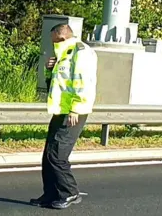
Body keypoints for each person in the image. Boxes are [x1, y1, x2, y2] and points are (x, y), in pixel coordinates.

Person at [30, 23, 98, 209]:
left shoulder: (80, 52)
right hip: (61, 110)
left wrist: (75, 109)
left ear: (61, 37)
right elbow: (56, 83)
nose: (52, 45)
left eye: (53, 41)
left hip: (74, 112)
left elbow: (84, 83)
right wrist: (49, 69)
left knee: (58, 155)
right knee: (48, 155)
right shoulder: (64, 53)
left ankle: (69, 192)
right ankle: (51, 194)